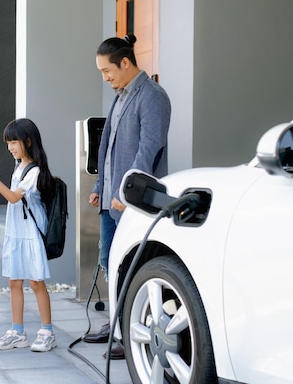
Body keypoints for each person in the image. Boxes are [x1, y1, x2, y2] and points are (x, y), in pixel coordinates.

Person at [84, 34, 172, 358]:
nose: (105, 78)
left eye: (107, 71)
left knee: (133, 265)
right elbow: (106, 149)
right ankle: (117, 323)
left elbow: (148, 149)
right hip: (111, 200)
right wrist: (99, 189)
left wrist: (126, 192)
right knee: (111, 261)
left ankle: (131, 332)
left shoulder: (153, 97)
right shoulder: (120, 95)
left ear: (125, 62)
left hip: (132, 202)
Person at [0, 118, 57, 353]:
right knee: (14, 281)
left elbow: (14, 197)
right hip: (16, 232)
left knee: (36, 281)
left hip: (31, 233)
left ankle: (47, 332)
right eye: (8, 143)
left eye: (13, 142)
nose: (10, 147)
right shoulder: (19, 166)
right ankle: (17, 332)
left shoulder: (34, 170)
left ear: (27, 141)